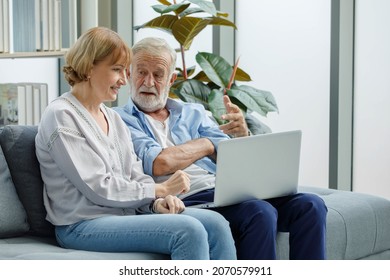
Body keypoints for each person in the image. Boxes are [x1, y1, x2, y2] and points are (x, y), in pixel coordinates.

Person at [114, 37, 328, 260]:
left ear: (171, 79)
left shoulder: (193, 112)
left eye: (158, 75)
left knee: (311, 206)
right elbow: (160, 163)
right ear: (129, 75)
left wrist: (241, 136)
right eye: (141, 73)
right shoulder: (120, 120)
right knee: (259, 212)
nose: (148, 82)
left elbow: (232, 156)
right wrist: (207, 144)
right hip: (187, 199)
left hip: (227, 191)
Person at [35, 27, 237, 260]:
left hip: (125, 216)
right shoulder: (61, 115)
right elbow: (98, 186)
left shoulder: (112, 118)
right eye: (117, 70)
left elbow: (134, 173)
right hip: (81, 225)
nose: (124, 79)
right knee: (187, 231)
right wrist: (159, 189)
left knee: (217, 223)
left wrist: (157, 203)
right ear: (90, 67)